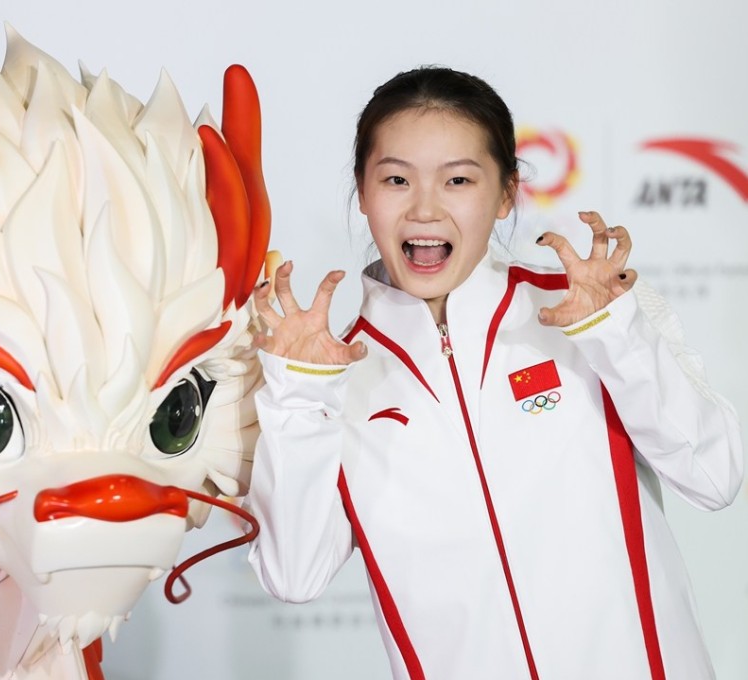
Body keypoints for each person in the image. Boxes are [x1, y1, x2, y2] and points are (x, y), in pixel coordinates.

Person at [244, 66, 743, 680]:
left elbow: (715, 477)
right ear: (363, 191)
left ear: (507, 193)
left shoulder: (587, 314)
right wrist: (299, 399)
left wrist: (617, 334)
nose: (424, 208)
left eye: (458, 180)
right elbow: (294, 576)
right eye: (396, 179)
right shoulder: (331, 376)